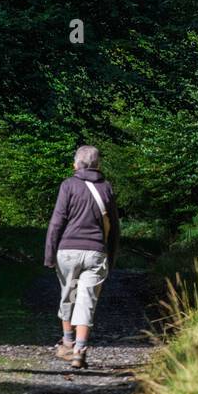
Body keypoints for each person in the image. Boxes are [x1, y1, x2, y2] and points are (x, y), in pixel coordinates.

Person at [44, 145, 120, 370]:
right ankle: (80, 350)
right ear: (98, 165)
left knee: (69, 293)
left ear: (76, 164)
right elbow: (114, 227)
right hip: (96, 252)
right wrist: (112, 256)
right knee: (86, 299)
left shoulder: (68, 185)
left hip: (68, 251)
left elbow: (57, 221)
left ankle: (67, 341)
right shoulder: (106, 188)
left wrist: (49, 254)